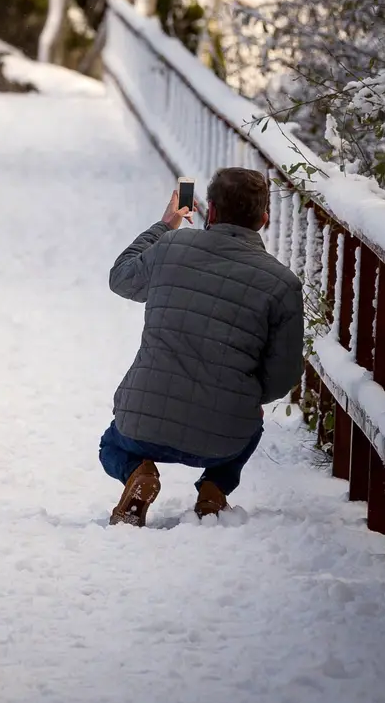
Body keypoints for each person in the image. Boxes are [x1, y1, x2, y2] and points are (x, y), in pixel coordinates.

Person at [100, 166, 303, 525]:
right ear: (264, 218)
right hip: (223, 438)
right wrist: (250, 398)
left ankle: (139, 472)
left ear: (210, 211)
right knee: (249, 421)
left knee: (111, 445)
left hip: (143, 426)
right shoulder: (282, 284)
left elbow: (121, 278)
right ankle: (214, 489)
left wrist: (166, 223)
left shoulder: (171, 247)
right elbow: (284, 372)